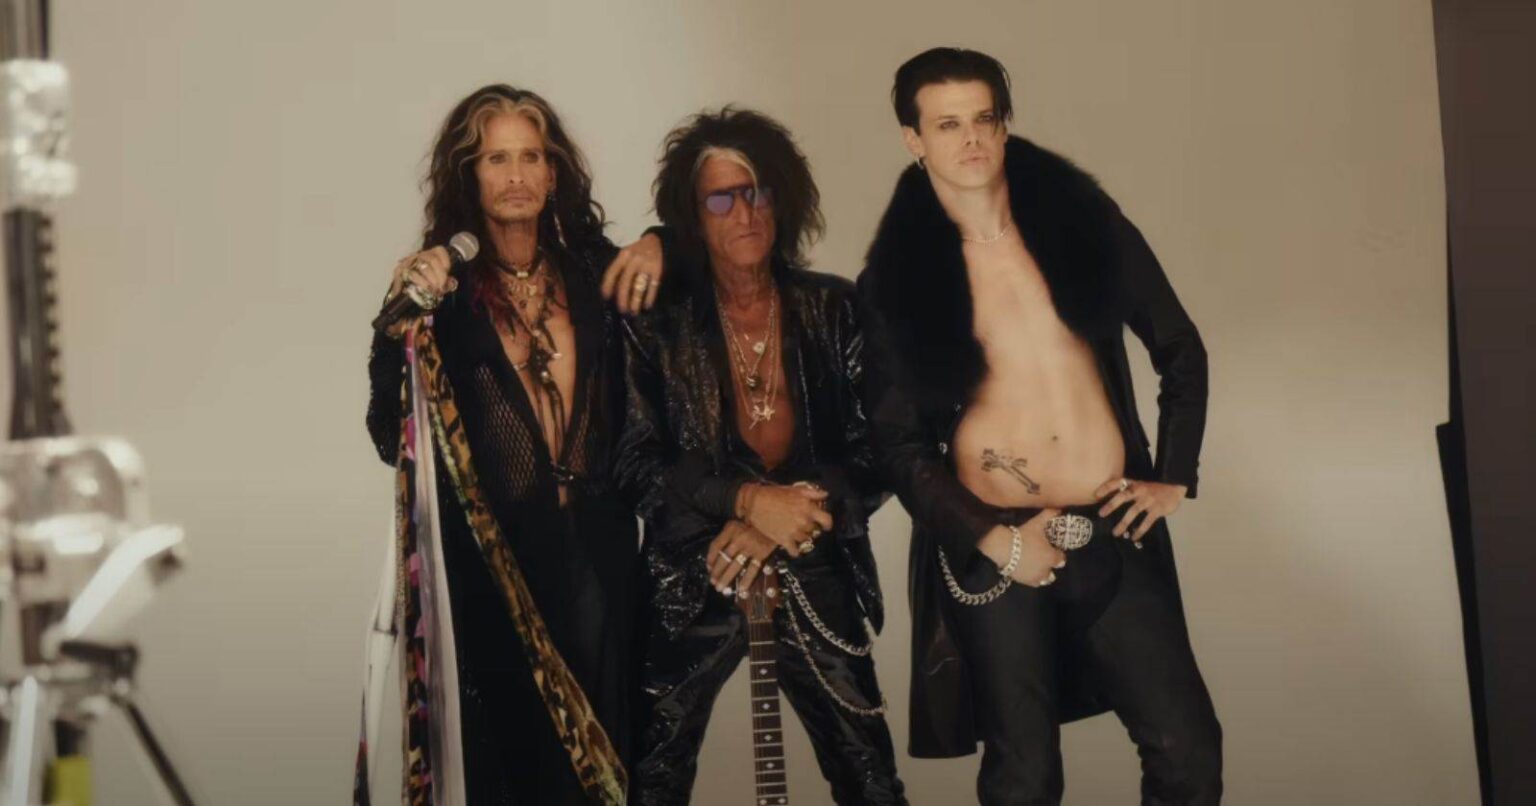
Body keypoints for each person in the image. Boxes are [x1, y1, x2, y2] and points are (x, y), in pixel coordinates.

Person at [858, 48, 1223, 805]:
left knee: (1187, 750)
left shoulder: (1081, 226)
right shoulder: (898, 277)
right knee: (1024, 776)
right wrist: (993, 539)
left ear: (1004, 123)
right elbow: (897, 444)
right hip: (997, 543)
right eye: (947, 124)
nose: (970, 139)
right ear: (913, 139)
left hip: (1109, 521)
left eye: (983, 118)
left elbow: (1180, 347)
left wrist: (1174, 476)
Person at [362, 83, 666, 804]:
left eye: (531, 156)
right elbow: (389, 435)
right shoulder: (444, 294)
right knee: (510, 768)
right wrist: (399, 325)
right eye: (496, 159)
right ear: (469, 175)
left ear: (554, 172)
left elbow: (687, 270)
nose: (517, 175)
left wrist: (662, 240)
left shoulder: (595, 270)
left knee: (611, 759)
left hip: (600, 552)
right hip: (494, 562)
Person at [617, 108, 907, 805]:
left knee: (869, 776)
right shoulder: (657, 323)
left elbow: (881, 451)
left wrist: (785, 518)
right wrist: (746, 503)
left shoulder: (835, 309)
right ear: (694, 218)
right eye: (722, 199)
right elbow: (635, 463)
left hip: (814, 551)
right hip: (696, 567)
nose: (745, 213)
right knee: (651, 777)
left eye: (758, 193)